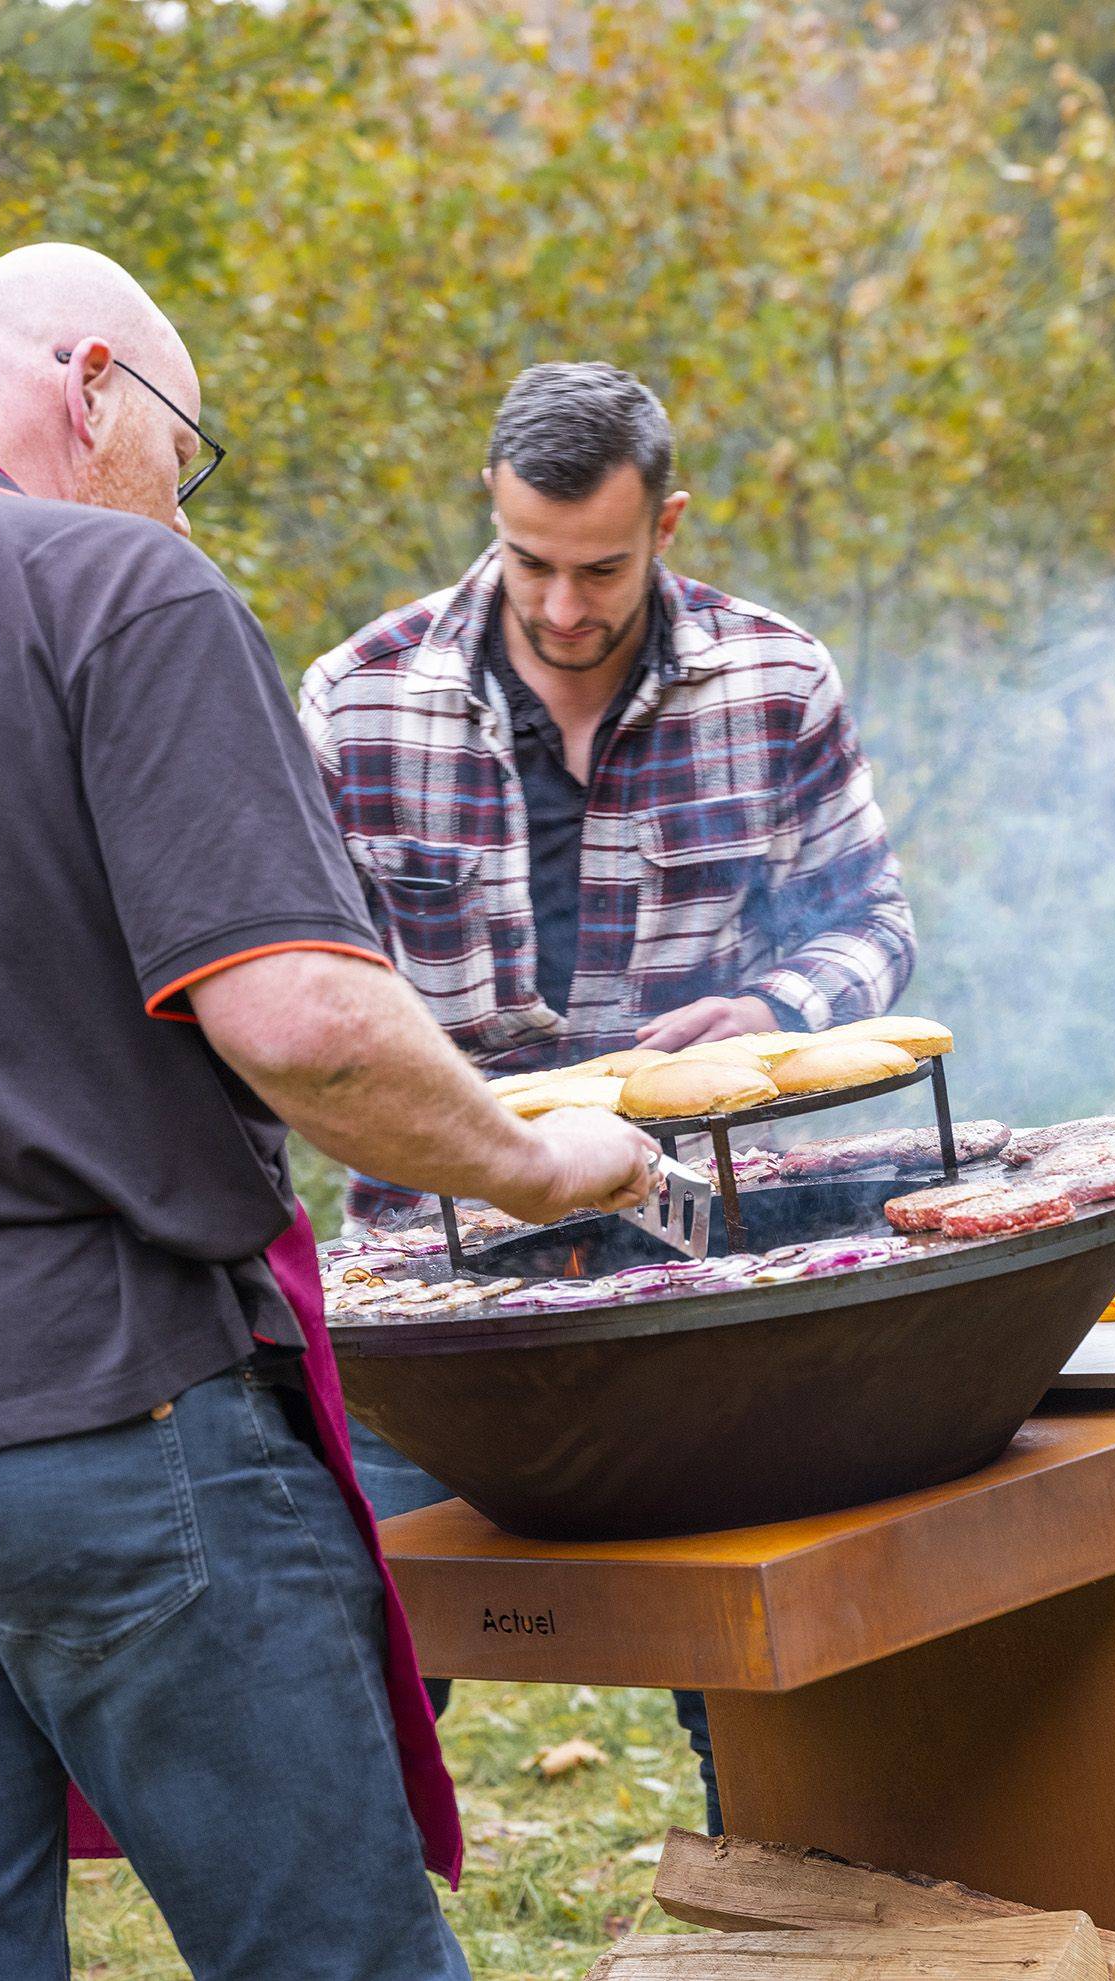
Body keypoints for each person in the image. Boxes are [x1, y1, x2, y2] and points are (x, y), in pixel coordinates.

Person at [0, 247, 656, 1981]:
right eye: (180, 457)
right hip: (111, 1420)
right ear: (93, 382)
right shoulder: (108, 587)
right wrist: (535, 1158)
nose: (178, 514)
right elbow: (307, 1026)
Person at [301, 362, 918, 1832]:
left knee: (761, 1666)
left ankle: (790, 1889)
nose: (564, 607)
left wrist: (774, 1006)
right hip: (425, 1268)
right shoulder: (354, 701)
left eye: (602, 567)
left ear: (670, 524)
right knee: (355, 1683)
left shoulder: (777, 678)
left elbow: (873, 928)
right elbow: (299, 990)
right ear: (489, 517)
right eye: (530, 562)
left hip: (699, 1251)